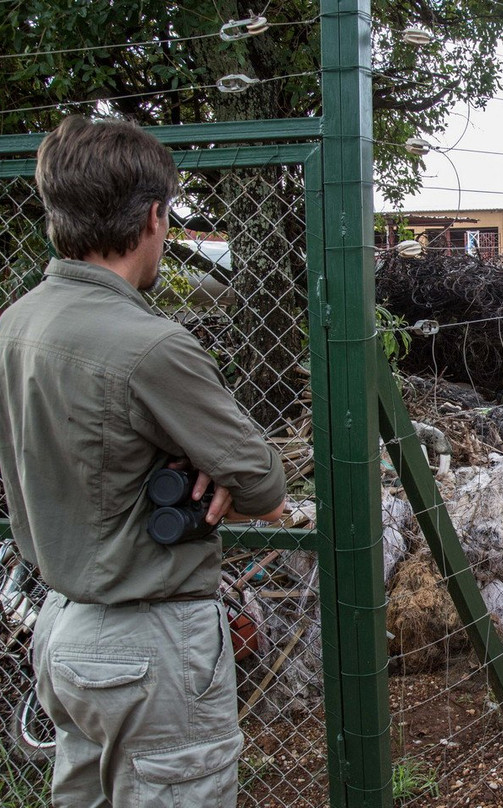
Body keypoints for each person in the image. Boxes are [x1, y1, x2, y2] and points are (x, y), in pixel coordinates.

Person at [0, 116, 287, 806]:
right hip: (149, 642)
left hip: (62, 628)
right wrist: (209, 466)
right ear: (156, 215)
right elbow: (266, 486)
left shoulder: (15, 325)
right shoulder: (151, 346)